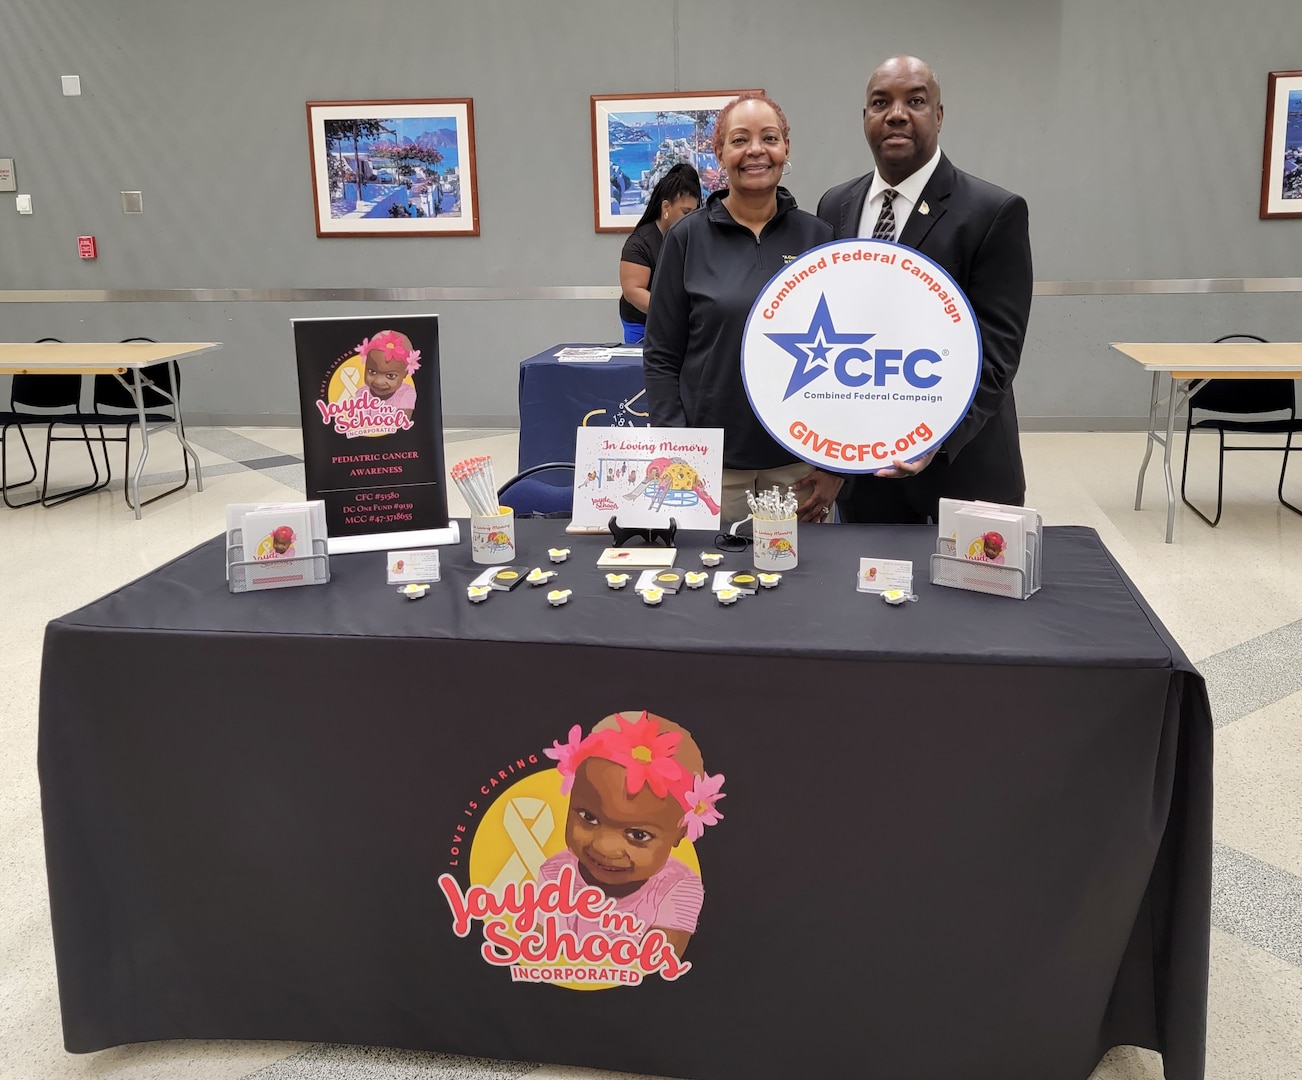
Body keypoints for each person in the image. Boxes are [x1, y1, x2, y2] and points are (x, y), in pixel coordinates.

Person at [817, 56, 1033, 524]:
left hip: (963, 470)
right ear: (865, 119)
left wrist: (938, 436)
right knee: (863, 593)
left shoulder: (994, 211)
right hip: (866, 474)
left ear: (938, 115)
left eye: (915, 101)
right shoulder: (835, 205)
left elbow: (997, 353)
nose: (896, 113)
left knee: (971, 599)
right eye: (881, 102)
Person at [643, 94, 841, 524]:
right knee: (708, 583)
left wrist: (835, 465)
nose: (755, 150)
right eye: (739, 139)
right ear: (719, 153)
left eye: (769, 138)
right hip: (709, 466)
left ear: (786, 148)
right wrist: (678, 450)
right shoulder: (686, 239)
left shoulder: (819, 238)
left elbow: (846, 362)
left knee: (797, 586)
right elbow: (660, 356)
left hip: (798, 464)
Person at [539, 710, 724, 961]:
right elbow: (537, 958)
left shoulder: (679, 887)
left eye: (638, 835)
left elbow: (658, 970)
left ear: (679, 833)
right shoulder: (553, 872)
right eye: (588, 817)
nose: (605, 847)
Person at [617, 164, 702, 344]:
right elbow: (633, 291)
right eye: (686, 212)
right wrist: (673, 313)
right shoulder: (640, 242)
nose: (692, 218)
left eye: (695, 213)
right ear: (666, 207)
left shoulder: (693, 238)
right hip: (642, 324)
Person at [355, 329, 420, 419]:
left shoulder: (406, 393)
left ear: (405, 372)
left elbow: (402, 425)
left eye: (390, 376)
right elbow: (355, 423)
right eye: (372, 372)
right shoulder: (361, 393)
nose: (379, 381)